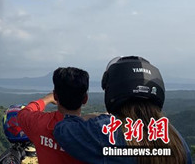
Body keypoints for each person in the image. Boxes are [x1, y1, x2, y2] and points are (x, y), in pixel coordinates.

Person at [54, 55, 192, 164]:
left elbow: (63, 130)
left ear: (114, 89)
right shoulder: (177, 140)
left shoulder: (108, 132)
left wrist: (95, 117)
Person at [17, 67, 89, 164]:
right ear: (85, 99)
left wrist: (47, 99)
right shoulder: (94, 133)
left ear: (55, 96)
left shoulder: (39, 123)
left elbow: (24, 112)